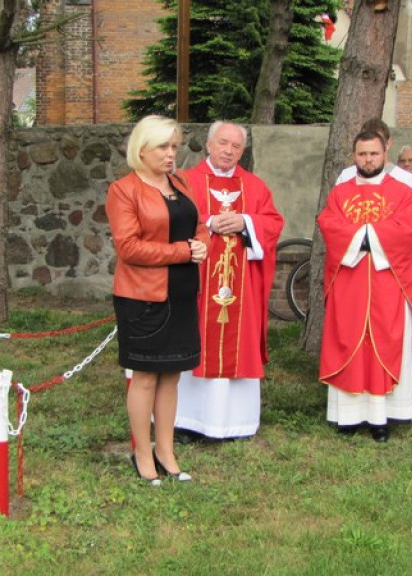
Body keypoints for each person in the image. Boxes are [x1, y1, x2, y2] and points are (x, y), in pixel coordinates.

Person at [105, 115, 211, 485]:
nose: (171, 154)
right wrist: (184, 251)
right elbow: (129, 247)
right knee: (146, 377)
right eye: (164, 147)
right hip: (142, 297)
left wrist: (202, 244)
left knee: (172, 376)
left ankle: (166, 451)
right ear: (142, 150)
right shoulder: (123, 190)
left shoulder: (179, 182)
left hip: (182, 291)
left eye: (174, 147)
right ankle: (142, 453)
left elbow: (199, 224)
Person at [173, 121, 284, 441]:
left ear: (242, 151)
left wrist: (246, 222)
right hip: (197, 284)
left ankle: (235, 423)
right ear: (208, 145)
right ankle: (187, 421)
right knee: (195, 339)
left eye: (236, 147)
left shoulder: (255, 186)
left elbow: (273, 223)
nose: (228, 151)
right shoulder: (185, 181)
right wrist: (208, 222)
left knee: (238, 341)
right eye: (223, 143)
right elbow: (170, 220)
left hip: (240, 287)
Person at [317, 131, 412, 442]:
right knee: (349, 342)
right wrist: (369, 235)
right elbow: (329, 224)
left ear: (384, 153)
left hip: (388, 284)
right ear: (354, 156)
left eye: (374, 154)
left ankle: (382, 418)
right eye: (362, 154)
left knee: (384, 345)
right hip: (349, 284)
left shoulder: (402, 192)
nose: (368, 160)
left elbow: (406, 229)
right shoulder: (341, 192)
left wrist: (362, 236)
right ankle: (347, 416)